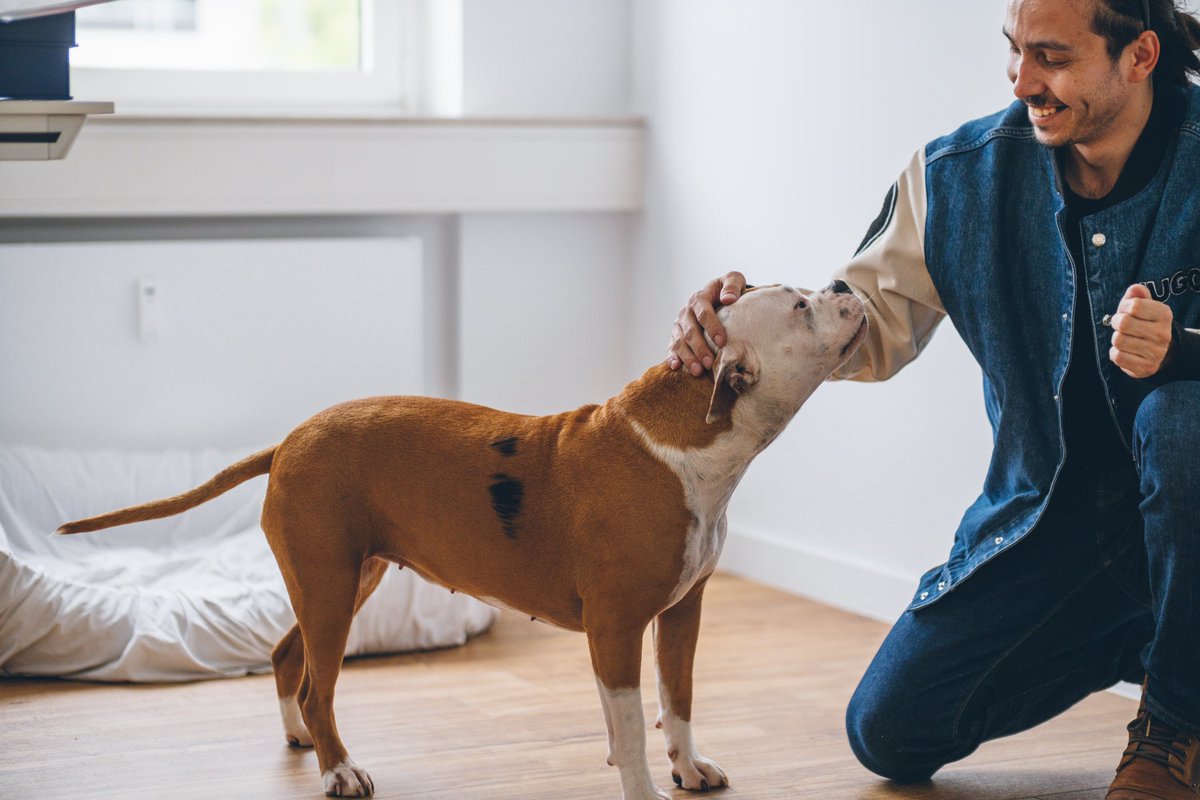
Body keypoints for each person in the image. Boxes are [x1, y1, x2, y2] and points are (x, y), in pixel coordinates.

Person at [668, 0, 1200, 796]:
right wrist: (737, 333)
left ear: (1140, 55)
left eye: (1051, 57)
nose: (1024, 81)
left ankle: (1175, 728)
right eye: (1014, 51)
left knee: (1180, 419)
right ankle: (1167, 628)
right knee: (888, 731)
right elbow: (860, 324)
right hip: (1055, 528)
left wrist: (1186, 352)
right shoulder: (958, 175)